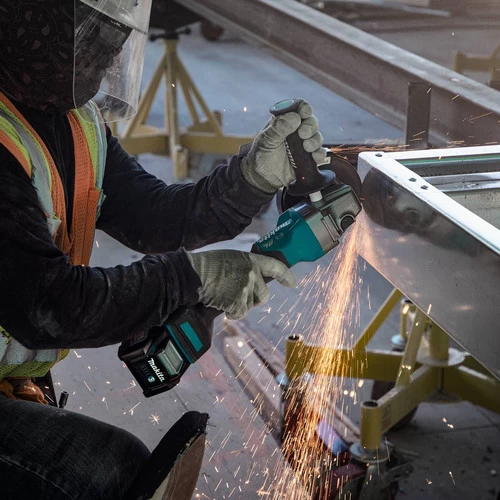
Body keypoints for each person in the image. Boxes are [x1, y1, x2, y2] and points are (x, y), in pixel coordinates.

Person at [0, 0, 327, 498]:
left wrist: (250, 179)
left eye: (114, 40)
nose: (108, 57)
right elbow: (49, 307)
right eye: (93, 38)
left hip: (14, 379)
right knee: (111, 471)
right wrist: (190, 278)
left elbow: (153, 216)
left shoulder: (75, 121)